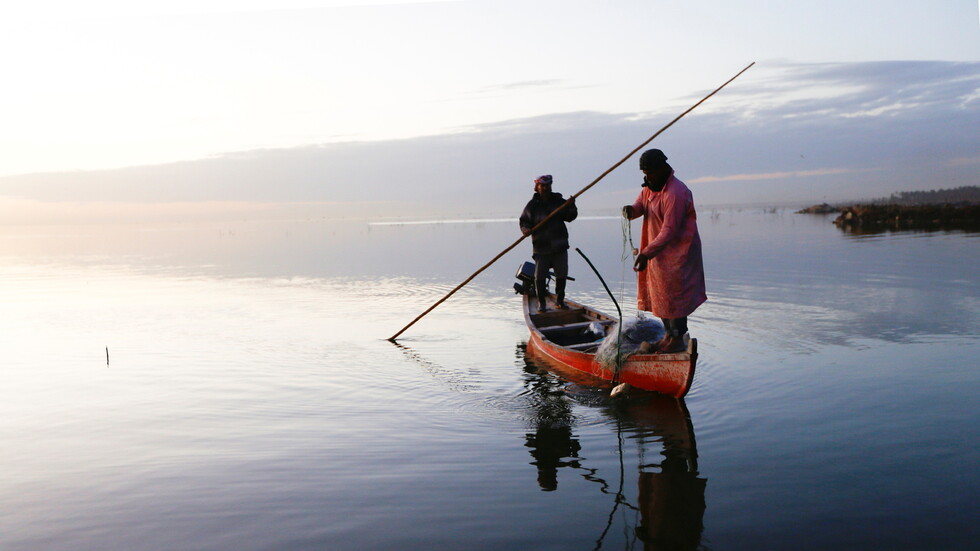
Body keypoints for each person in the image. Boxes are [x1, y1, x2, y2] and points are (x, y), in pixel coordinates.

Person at [622, 149, 706, 353]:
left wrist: (645, 253)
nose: (647, 176)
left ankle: (677, 340)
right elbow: (641, 204)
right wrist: (631, 211)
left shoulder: (675, 193)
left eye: (650, 172)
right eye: (644, 172)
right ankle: (668, 337)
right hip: (658, 252)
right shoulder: (650, 188)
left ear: (662, 169)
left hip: (679, 254)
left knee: (675, 296)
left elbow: (669, 231)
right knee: (661, 295)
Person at [519, 174, 577, 311]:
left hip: (559, 245)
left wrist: (572, 205)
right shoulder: (532, 205)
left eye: (547, 185)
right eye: (542, 185)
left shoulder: (558, 201)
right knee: (539, 276)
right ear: (537, 187)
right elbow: (524, 221)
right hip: (541, 247)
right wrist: (525, 229)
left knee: (561, 274)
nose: (545, 188)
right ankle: (541, 304)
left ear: (551, 186)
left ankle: (560, 301)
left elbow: (570, 217)